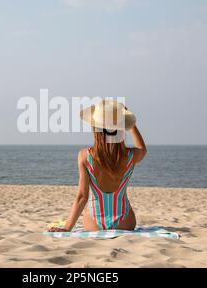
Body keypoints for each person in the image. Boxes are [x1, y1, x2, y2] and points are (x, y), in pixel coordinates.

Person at [48, 99, 147, 232]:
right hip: (124, 221)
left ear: (96, 129)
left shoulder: (85, 156)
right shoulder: (130, 155)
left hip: (94, 222)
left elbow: (82, 197)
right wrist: (128, 122)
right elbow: (142, 148)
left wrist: (67, 228)